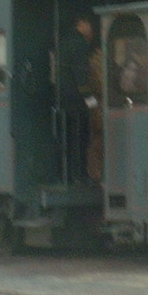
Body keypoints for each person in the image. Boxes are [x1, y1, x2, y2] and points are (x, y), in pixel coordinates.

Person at [58, 13, 100, 183]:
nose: (91, 29)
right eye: (88, 24)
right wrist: (92, 101)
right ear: (81, 23)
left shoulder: (64, 42)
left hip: (64, 98)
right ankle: (81, 174)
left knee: (68, 140)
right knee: (81, 139)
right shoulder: (80, 44)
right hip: (77, 100)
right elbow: (81, 75)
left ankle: (68, 175)